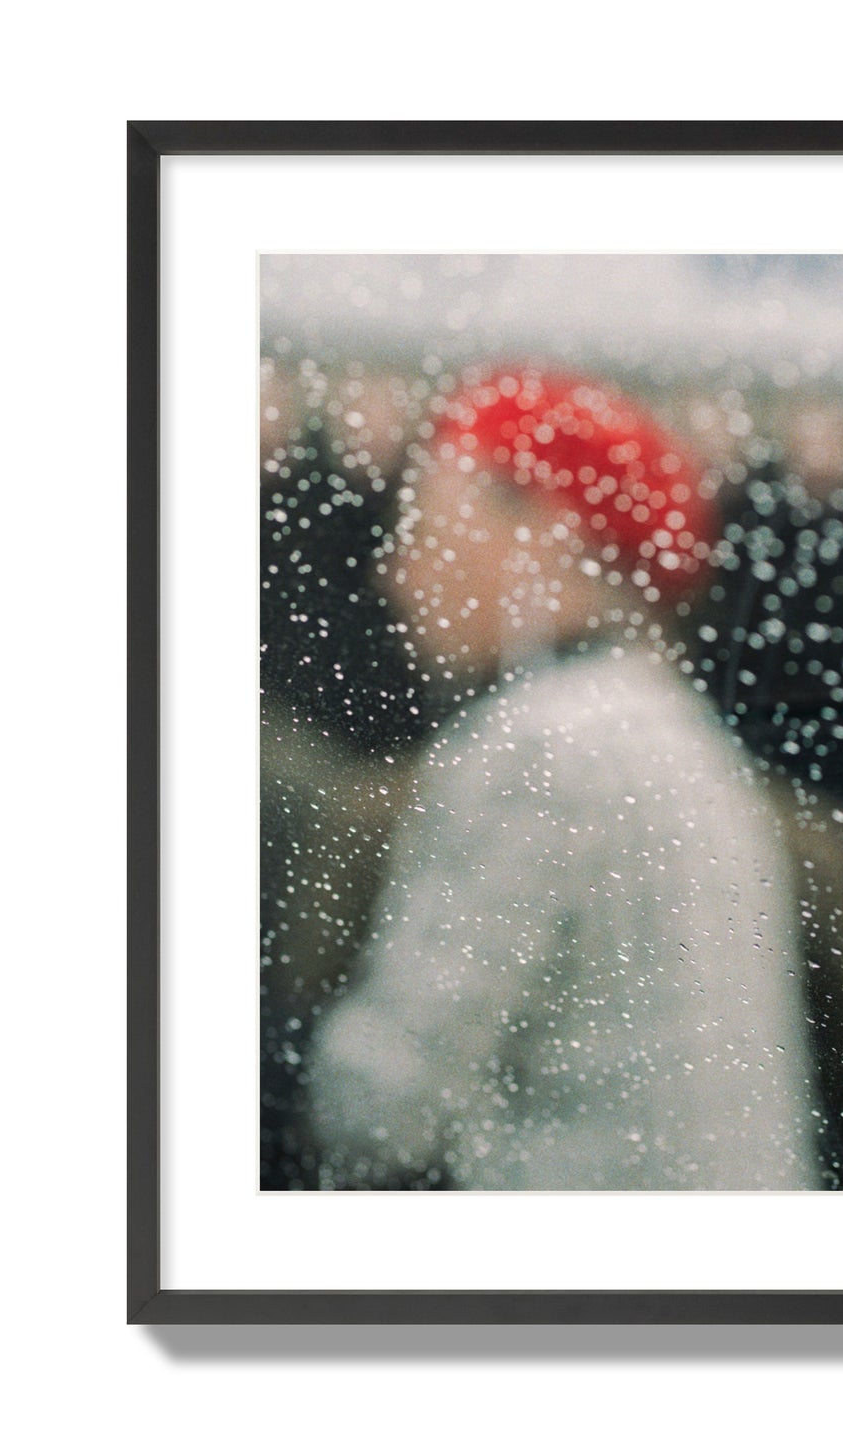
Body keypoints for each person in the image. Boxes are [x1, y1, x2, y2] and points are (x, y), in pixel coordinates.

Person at [306, 369, 817, 1190]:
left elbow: (384, 1106)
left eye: (423, 527)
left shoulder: (543, 746)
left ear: (541, 533)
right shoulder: (666, 728)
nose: (394, 572)